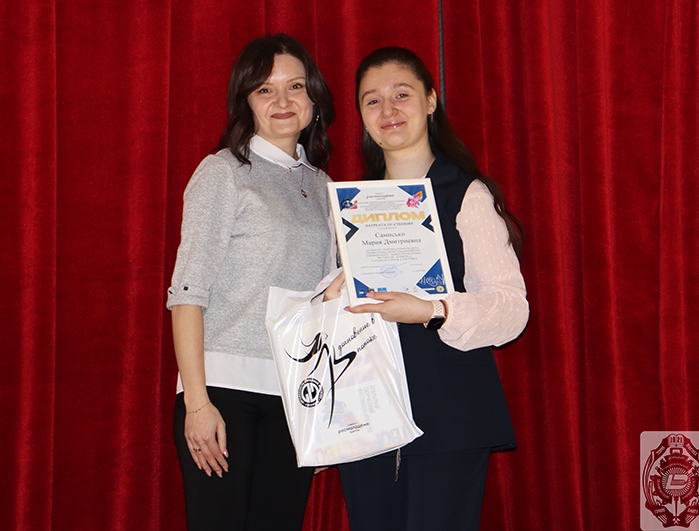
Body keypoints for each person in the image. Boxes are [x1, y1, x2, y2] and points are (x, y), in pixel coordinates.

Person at [329, 46, 529, 530]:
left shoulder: (467, 193)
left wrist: (432, 310)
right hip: (367, 420)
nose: (388, 110)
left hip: (450, 413)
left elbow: (511, 309)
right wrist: (333, 296)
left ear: (431, 100)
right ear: (361, 116)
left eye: (402, 94)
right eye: (372, 100)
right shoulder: (351, 204)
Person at [166, 34, 335, 531]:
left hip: (295, 393)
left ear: (313, 98)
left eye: (295, 86)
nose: (282, 100)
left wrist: (322, 416)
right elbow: (187, 294)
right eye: (265, 89)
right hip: (223, 392)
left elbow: (323, 305)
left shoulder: (326, 187)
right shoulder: (223, 171)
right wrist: (197, 403)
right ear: (246, 101)